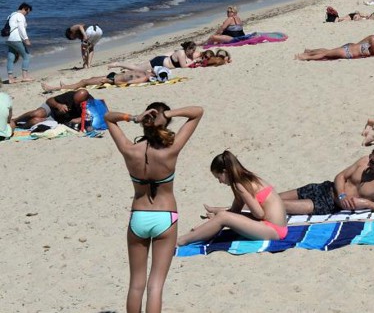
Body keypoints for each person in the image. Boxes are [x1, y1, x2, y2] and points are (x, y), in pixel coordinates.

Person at [104, 102, 202, 313]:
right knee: (155, 285)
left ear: (145, 123)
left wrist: (133, 117)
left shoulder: (130, 150)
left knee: (136, 285)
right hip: (165, 216)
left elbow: (108, 118)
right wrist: (167, 114)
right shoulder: (171, 149)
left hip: (139, 215)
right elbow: (197, 113)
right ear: (163, 122)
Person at [177, 150, 288, 246]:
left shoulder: (240, 185)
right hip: (279, 227)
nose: (220, 182)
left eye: (219, 177)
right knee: (222, 216)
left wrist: (218, 217)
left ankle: (182, 241)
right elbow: (234, 211)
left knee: (223, 217)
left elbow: (259, 214)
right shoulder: (247, 178)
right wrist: (209, 223)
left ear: (225, 172)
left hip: (274, 231)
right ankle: (197, 234)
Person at [279, 144, 374, 214]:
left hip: (328, 204)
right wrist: (342, 195)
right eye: (370, 158)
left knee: (279, 205)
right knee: (273, 197)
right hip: (325, 187)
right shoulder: (364, 161)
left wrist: (368, 204)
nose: (369, 163)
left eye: (373, 162)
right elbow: (341, 176)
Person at [12, 89, 92, 128]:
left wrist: (75, 120)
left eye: (77, 103)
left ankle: (20, 127)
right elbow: (49, 100)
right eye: (74, 101)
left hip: (59, 121)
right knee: (36, 114)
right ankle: (15, 120)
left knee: (35, 120)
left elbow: (88, 118)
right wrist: (58, 105)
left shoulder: (91, 105)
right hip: (53, 110)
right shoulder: (71, 95)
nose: (75, 103)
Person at [294, 28, 374, 60]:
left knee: (327, 52)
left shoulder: (372, 39)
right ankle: (305, 57)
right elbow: (372, 53)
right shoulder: (373, 39)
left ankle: (309, 52)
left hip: (348, 50)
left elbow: (359, 43)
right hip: (347, 50)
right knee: (326, 53)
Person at [108, 41, 201, 71]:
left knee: (139, 68)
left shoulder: (183, 53)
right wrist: (194, 61)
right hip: (159, 61)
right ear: (188, 49)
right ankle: (117, 64)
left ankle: (122, 66)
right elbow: (184, 66)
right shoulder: (181, 53)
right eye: (192, 50)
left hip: (162, 61)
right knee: (137, 68)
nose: (193, 52)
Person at [40, 69, 152, 92]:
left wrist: (109, 81)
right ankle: (67, 85)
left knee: (84, 81)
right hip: (113, 75)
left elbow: (126, 83)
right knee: (89, 79)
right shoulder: (145, 72)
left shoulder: (145, 77)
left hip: (111, 79)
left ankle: (53, 88)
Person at [5, 2, 33, 83]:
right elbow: (21, 28)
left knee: (11, 57)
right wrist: (26, 39)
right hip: (16, 39)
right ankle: (25, 76)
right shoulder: (20, 16)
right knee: (26, 56)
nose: (27, 14)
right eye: (27, 12)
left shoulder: (11, 15)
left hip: (9, 39)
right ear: (24, 9)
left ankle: (10, 78)